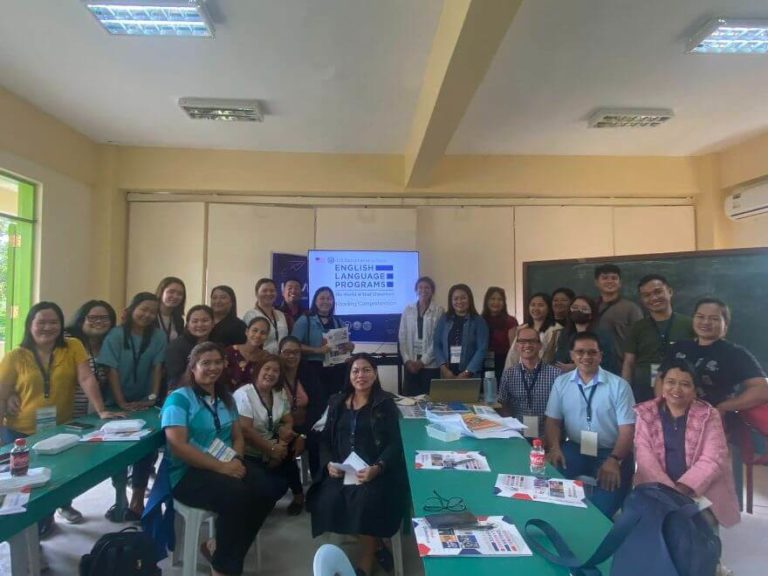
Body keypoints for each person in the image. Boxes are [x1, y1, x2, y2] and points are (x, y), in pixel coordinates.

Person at [0, 302, 122, 534]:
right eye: (42, 322)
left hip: (59, 429)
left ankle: (48, 521)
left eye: (54, 322)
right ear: (30, 325)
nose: (48, 327)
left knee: (56, 479)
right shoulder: (15, 356)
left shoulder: (73, 346)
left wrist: (101, 410)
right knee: (25, 487)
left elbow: (86, 379)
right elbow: (2, 396)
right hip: (20, 433)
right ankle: (31, 538)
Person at [162, 342, 274, 576]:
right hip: (187, 473)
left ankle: (217, 549)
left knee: (267, 487)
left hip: (225, 463)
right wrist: (222, 468)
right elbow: (178, 445)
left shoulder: (226, 398)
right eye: (205, 363)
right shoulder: (178, 399)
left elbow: (237, 436)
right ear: (192, 367)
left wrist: (237, 460)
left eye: (217, 362)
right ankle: (224, 568)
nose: (212, 368)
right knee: (238, 494)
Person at [308, 354, 406, 576]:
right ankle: (370, 544)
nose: (361, 375)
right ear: (349, 375)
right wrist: (328, 465)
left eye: (366, 370)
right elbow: (324, 440)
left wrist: (378, 467)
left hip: (375, 472)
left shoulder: (385, 404)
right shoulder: (337, 402)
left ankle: (366, 560)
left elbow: (395, 444)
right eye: (355, 371)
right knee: (328, 500)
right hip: (342, 471)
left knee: (364, 502)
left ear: (375, 373)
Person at [634, 360, 740, 532]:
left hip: (700, 489)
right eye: (670, 382)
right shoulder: (646, 413)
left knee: (701, 530)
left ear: (694, 390)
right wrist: (669, 492)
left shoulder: (708, 415)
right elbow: (645, 458)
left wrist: (684, 488)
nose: (676, 389)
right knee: (652, 530)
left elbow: (713, 459)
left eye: (685, 384)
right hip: (657, 487)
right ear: (661, 384)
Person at [545, 332, 636, 518]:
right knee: (546, 486)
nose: (586, 357)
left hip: (611, 453)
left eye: (592, 352)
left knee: (600, 512)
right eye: (580, 352)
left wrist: (615, 459)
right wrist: (554, 447)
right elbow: (553, 421)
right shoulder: (561, 383)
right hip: (575, 449)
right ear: (571, 355)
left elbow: (628, 430)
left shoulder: (619, 386)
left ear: (600, 355)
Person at [98, 292, 166, 519]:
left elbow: (157, 367)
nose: (147, 315)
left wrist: (152, 397)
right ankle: (120, 496)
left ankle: (137, 500)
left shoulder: (158, 337)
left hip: (144, 402)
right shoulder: (115, 335)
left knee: (145, 449)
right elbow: (111, 370)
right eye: (143, 309)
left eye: (152, 311)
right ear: (132, 308)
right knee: (118, 450)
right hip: (116, 402)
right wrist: (121, 403)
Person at [666, 298, 768, 417]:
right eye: (700, 316)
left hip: (716, 423)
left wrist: (725, 406)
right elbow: (661, 379)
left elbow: (762, 390)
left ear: (725, 324)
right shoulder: (679, 347)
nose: (705, 322)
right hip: (676, 418)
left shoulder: (735, 353)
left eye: (714, 318)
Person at [234, 355, 306, 515]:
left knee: (294, 445)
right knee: (273, 484)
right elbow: (245, 430)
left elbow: (288, 420)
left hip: (274, 442)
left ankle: (298, 496)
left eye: (276, 370)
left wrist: (282, 438)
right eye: (267, 368)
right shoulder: (244, 394)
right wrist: (272, 450)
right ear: (257, 370)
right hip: (249, 449)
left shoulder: (279, 392)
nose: (271, 373)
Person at [622, 275, 694, 403]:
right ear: (642, 300)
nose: (654, 298)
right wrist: (624, 393)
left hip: (679, 393)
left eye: (658, 292)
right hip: (643, 393)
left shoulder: (689, 324)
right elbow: (629, 363)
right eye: (647, 295)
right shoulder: (637, 327)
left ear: (670, 292)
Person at [292, 287, 354, 429]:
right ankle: (313, 444)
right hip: (313, 370)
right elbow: (293, 345)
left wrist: (349, 347)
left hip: (336, 371)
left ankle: (332, 441)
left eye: (329, 298)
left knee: (335, 406)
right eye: (322, 298)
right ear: (315, 301)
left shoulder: (339, 322)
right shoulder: (305, 320)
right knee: (317, 407)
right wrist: (317, 350)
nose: (326, 301)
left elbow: (344, 347)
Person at [498, 326, 561, 438]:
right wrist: (513, 431)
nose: (527, 345)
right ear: (517, 346)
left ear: (540, 345)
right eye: (522, 341)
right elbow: (503, 405)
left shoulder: (556, 374)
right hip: (517, 436)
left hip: (546, 437)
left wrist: (550, 439)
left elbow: (560, 411)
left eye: (532, 341)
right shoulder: (509, 374)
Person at [65, 300, 118, 419]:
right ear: (81, 320)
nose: (99, 321)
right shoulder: (67, 341)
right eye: (93, 318)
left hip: (93, 413)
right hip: (64, 414)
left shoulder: (110, 344)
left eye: (104, 318)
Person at [398, 276, 445, 396]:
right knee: (409, 400)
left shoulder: (439, 311)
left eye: (427, 288)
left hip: (431, 365)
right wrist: (407, 360)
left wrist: (422, 362)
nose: (423, 290)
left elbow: (438, 340)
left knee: (429, 401)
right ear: (416, 290)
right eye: (420, 287)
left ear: (432, 291)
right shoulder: (408, 309)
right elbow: (402, 337)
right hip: (410, 365)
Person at [434, 284, 489, 380]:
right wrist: (444, 369)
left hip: (470, 375)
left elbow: (482, 349)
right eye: (455, 298)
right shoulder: (444, 320)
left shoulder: (478, 321)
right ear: (451, 301)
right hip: (447, 374)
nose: (459, 301)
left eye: (463, 298)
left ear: (470, 299)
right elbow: (436, 345)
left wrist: (467, 372)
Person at [553, 295, 617, 374]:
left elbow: (606, 362)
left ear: (591, 315)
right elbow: (559, 359)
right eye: (575, 307)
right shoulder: (565, 334)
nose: (578, 311)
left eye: (584, 309)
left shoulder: (601, 336)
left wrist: (575, 367)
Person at [594, 264, 643, 365]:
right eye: (605, 278)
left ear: (620, 283)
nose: (610, 281)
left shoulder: (631, 308)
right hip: (593, 365)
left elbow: (640, 339)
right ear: (596, 283)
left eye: (614, 278)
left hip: (621, 365)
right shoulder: (591, 306)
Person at [504, 292, 561, 368]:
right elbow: (513, 355)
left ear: (549, 308)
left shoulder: (556, 330)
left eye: (540, 305)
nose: (536, 308)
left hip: (546, 374)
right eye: (533, 305)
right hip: (520, 373)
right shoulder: (523, 328)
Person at [165, 305, 214, 391]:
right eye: (195, 321)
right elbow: (174, 383)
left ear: (213, 323)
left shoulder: (214, 345)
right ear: (187, 325)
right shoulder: (176, 347)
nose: (200, 324)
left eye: (205, 320)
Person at [242, 278, 290, 354]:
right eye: (264, 291)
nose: (269, 293)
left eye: (272, 291)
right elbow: (246, 341)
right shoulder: (251, 315)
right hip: (261, 360)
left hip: (281, 360)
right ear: (257, 294)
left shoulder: (281, 314)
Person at [481, 286, 519, 382]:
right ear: (487, 301)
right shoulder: (479, 320)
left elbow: (513, 349)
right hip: (482, 362)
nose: (496, 302)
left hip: (504, 362)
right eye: (493, 299)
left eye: (500, 299)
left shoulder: (510, 321)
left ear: (504, 302)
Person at [225, 317, 271, 391]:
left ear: (267, 336)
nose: (258, 335)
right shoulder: (230, 352)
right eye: (255, 330)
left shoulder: (267, 358)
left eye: (263, 333)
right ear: (247, 332)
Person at [279, 335, 310, 435]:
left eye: (296, 352)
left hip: (307, 430)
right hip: (280, 431)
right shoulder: (275, 376)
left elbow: (318, 406)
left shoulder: (309, 374)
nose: (292, 356)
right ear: (279, 353)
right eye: (287, 352)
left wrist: (303, 436)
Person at [155, 276, 186, 343]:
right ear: (161, 292)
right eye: (171, 292)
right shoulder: (150, 315)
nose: (175, 296)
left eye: (180, 294)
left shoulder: (179, 320)